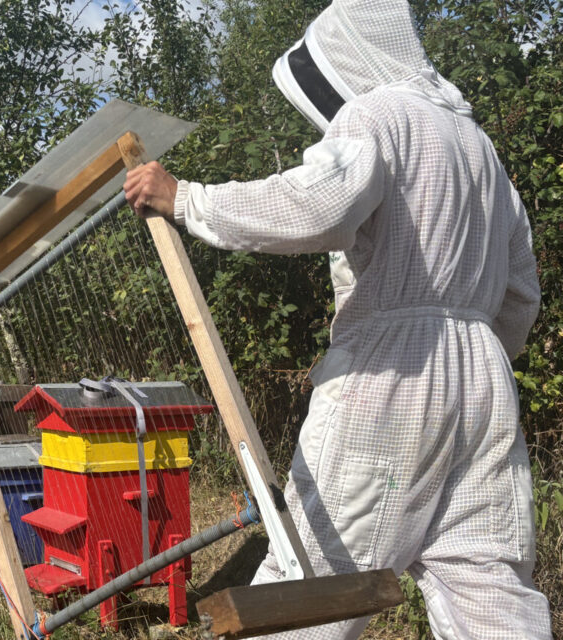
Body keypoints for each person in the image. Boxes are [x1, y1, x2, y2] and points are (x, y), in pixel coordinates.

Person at [123, 0, 552, 637]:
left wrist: (189, 198)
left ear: (348, 56)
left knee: (314, 576)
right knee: (488, 586)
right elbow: (522, 294)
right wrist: (476, 360)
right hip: (484, 381)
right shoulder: (478, 144)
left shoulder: (377, 114)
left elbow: (319, 205)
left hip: (391, 376)